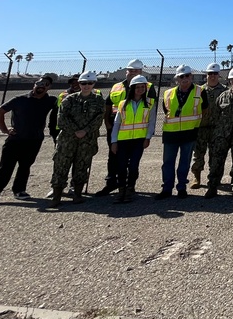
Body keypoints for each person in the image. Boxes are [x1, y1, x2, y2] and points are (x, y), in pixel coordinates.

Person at [0, 78, 56, 206]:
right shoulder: (20, 99)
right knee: (5, 168)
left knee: (25, 166)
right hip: (15, 139)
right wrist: (4, 129)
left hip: (34, 140)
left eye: (45, 85)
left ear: (49, 88)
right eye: (39, 83)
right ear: (34, 85)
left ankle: (19, 190)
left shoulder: (51, 101)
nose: (41, 86)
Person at [97, 59, 156, 196]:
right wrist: (106, 122)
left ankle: (129, 186)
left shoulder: (148, 86)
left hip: (137, 131)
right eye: (130, 70)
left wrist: (148, 135)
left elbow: (151, 110)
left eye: (136, 71)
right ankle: (112, 183)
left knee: (132, 161)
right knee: (113, 157)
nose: (133, 73)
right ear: (126, 71)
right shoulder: (117, 86)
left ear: (141, 72)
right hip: (116, 128)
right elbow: (108, 104)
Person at [49, 72, 106, 208]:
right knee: (61, 166)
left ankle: (77, 195)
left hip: (87, 140)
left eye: (90, 83)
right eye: (83, 83)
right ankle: (57, 196)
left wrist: (85, 131)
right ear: (79, 84)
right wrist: (76, 131)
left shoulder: (98, 101)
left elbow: (99, 119)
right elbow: (61, 118)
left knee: (82, 166)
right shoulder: (69, 99)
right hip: (67, 140)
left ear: (94, 84)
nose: (86, 86)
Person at [157, 65, 204, 200]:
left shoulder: (200, 92)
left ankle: (182, 187)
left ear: (192, 77)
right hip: (171, 134)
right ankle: (166, 188)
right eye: (181, 76)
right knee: (168, 163)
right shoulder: (168, 93)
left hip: (189, 134)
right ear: (177, 78)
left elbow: (205, 110)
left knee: (184, 162)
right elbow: (167, 111)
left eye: (187, 76)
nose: (185, 79)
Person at [108, 74, 156, 203]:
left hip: (139, 140)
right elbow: (117, 124)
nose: (140, 89)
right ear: (132, 88)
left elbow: (151, 122)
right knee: (121, 166)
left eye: (143, 87)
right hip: (123, 140)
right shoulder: (123, 104)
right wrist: (114, 141)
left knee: (134, 166)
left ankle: (130, 189)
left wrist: (147, 138)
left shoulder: (150, 103)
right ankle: (121, 190)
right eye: (137, 87)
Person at [204, 66, 233, 198]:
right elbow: (216, 114)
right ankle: (212, 186)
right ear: (229, 80)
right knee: (217, 160)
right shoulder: (223, 96)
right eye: (232, 79)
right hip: (222, 134)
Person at [190, 63, 226, 189]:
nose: (212, 76)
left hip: (217, 128)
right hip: (201, 127)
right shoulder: (199, 91)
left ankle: (214, 177)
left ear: (219, 75)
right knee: (198, 153)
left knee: (216, 154)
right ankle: (196, 177)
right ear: (206, 75)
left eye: (215, 74)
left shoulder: (224, 91)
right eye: (210, 73)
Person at [48, 75, 80, 145]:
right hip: (62, 129)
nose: (75, 85)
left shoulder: (90, 95)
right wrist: (52, 129)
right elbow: (55, 113)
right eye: (73, 83)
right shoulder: (63, 95)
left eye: (78, 82)